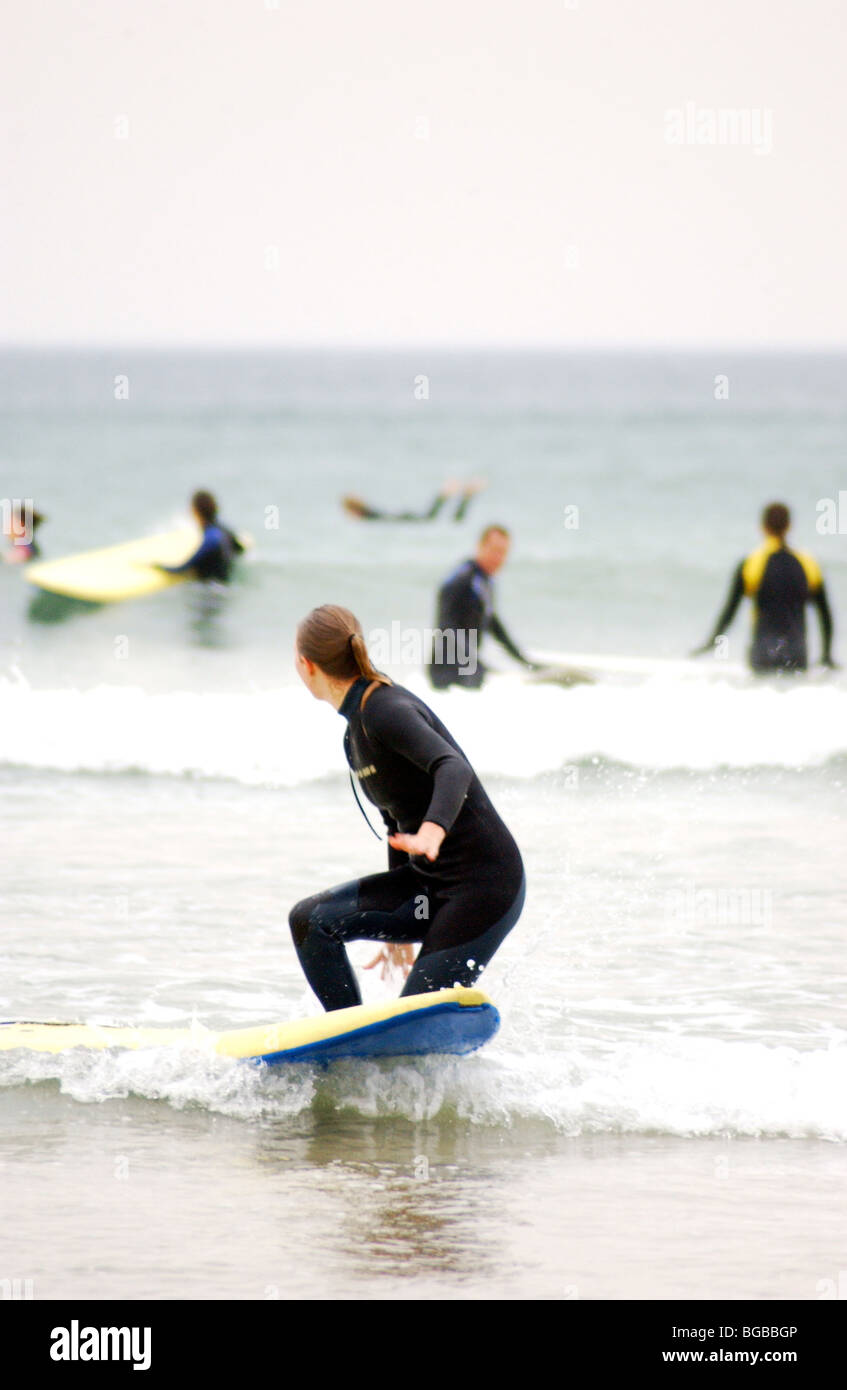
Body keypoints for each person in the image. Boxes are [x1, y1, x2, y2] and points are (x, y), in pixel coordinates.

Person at [289, 605, 526, 1011]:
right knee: (310, 922)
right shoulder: (355, 733)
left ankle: (379, 1043)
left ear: (305, 664)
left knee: (412, 1014)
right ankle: (349, 1035)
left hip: (483, 889)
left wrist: (433, 830)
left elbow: (452, 766)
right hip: (427, 888)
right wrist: (397, 925)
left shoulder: (384, 709)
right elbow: (396, 826)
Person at [692, 502, 837, 673]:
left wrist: (710, 644)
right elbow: (825, 616)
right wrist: (826, 655)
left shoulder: (751, 564)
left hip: (763, 655)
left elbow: (729, 613)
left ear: (763, 527)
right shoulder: (809, 564)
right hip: (796, 656)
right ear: (789, 526)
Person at [426, 524, 536, 689]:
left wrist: (524, 661)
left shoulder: (486, 582)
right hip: (447, 674)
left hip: (468, 668)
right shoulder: (460, 579)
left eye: (503, 553)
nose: (498, 557)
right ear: (480, 547)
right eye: (495, 550)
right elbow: (446, 628)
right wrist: (474, 660)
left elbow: (493, 625)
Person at [154, 491, 244, 583]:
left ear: (196, 512)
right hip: (226, 580)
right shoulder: (225, 530)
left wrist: (159, 567)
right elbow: (240, 550)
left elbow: (182, 568)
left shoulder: (211, 539)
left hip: (213, 591)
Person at [341, 478, 484, 522]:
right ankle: (453, 496)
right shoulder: (368, 513)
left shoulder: (367, 516)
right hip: (403, 517)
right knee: (434, 518)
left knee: (432, 518)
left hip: (403, 519)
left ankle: (449, 495)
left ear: (353, 510)